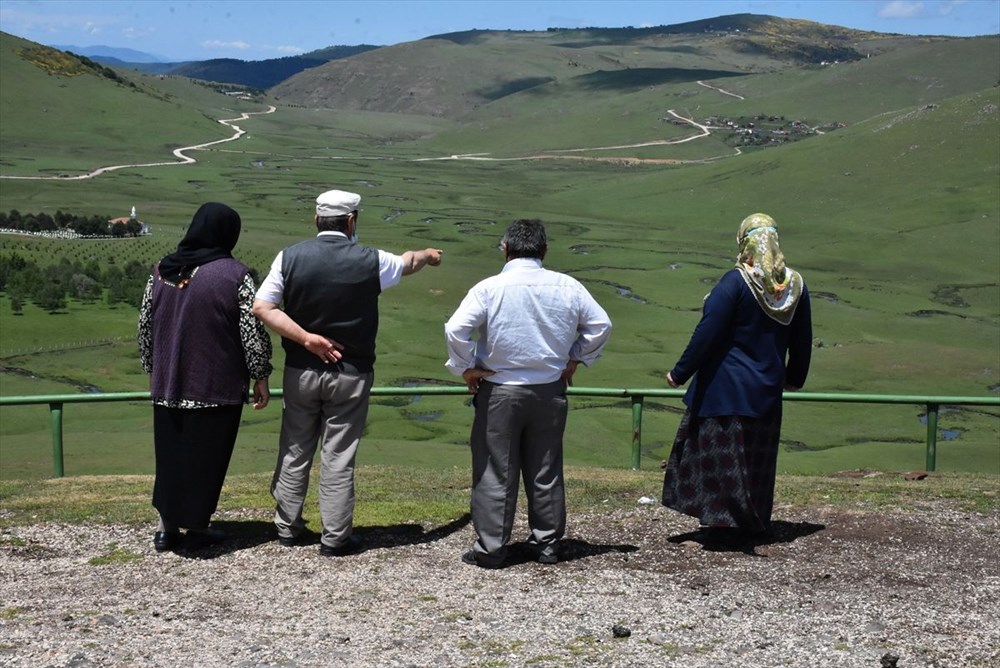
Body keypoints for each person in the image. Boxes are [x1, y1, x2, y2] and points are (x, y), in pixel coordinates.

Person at [253, 188, 442, 557]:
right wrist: (427, 255)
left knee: (295, 447)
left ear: (316, 219)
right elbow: (408, 262)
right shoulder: (372, 260)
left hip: (301, 371)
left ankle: (287, 527)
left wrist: (306, 339)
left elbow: (262, 307)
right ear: (352, 221)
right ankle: (335, 537)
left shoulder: (289, 256)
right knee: (338, 456)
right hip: (351, 374)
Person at [444, 218, 612, 568]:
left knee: (495, 470)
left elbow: (456, 328)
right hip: (549, 388)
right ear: (544, 250)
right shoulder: (568, 286)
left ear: (505, 248)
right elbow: (601, 325)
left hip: (500, 389)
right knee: (545, 468)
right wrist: (575, 358)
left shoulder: (489, 288)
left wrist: (466, 367)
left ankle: (491, 548)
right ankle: (546, 545)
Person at [662, 212, 812, 543]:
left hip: (724, 389)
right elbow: (802, 339)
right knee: (757, 461)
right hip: (767, 391)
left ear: (745, 243)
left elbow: (708, 331)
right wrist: (795, 378)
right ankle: (752, 523)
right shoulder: (795, 288)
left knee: (723, 462)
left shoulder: (736, 282)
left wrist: (680, 372)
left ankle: (722, 527)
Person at [138, 202, 272, 553]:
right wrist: (260, 375)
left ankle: (166, 529)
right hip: (215, 385)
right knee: (206, 460)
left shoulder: (162, 270)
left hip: (167, 383)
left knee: (169, 457)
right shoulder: (235, 275)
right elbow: (251, 332)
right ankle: (196, 527)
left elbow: (145, 326)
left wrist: (155, 369)